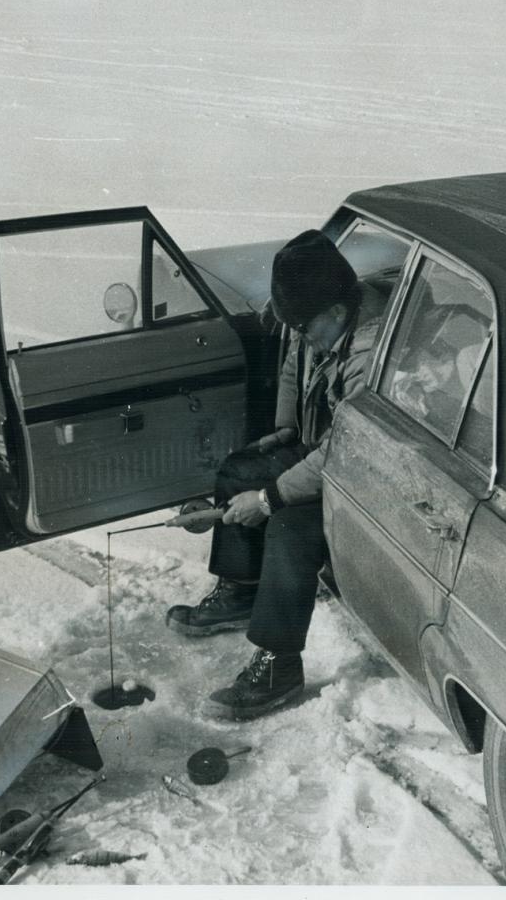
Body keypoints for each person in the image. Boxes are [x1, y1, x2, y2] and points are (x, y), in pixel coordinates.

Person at [165, 229, 391, 719]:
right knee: (240, 469)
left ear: (335, 313)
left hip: (366, 477)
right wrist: (285, 428)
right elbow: (295, 359)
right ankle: (242, 590)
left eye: (307, 327)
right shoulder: (323, 316)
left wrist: (268, 500)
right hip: (326, 453)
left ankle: (279, 665)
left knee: (292, 528)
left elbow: (344, 454)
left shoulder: (372, 355)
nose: (302, 335)